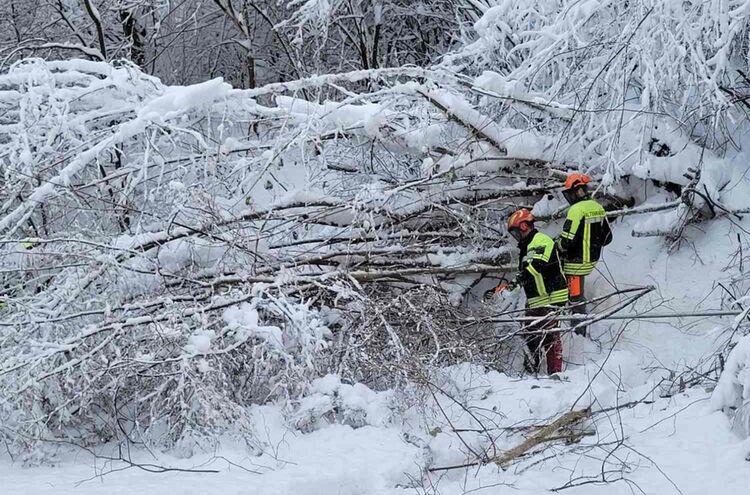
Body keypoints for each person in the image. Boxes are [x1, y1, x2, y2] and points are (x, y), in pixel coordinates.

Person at [495, 208, 569, 374]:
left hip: (552, 296)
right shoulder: (526, 246)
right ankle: (532, 370)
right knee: (530, 334)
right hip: (537, 298)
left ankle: (555, 373)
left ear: (523, 226)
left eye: (515, 232)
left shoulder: (542, 240)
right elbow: (526, 272)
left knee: (550, 335)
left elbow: (536, 267)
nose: (515, 237)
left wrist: (514, 285)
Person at [557, 173, 612, 335]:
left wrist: (557, 248)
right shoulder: (597, 207)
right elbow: (607, 237)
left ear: (576, 191)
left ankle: (578, 333)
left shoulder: (576, 210)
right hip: (591, 260)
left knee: (576, 299)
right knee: (575, 296)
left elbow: (566, 241)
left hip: (575, 264)